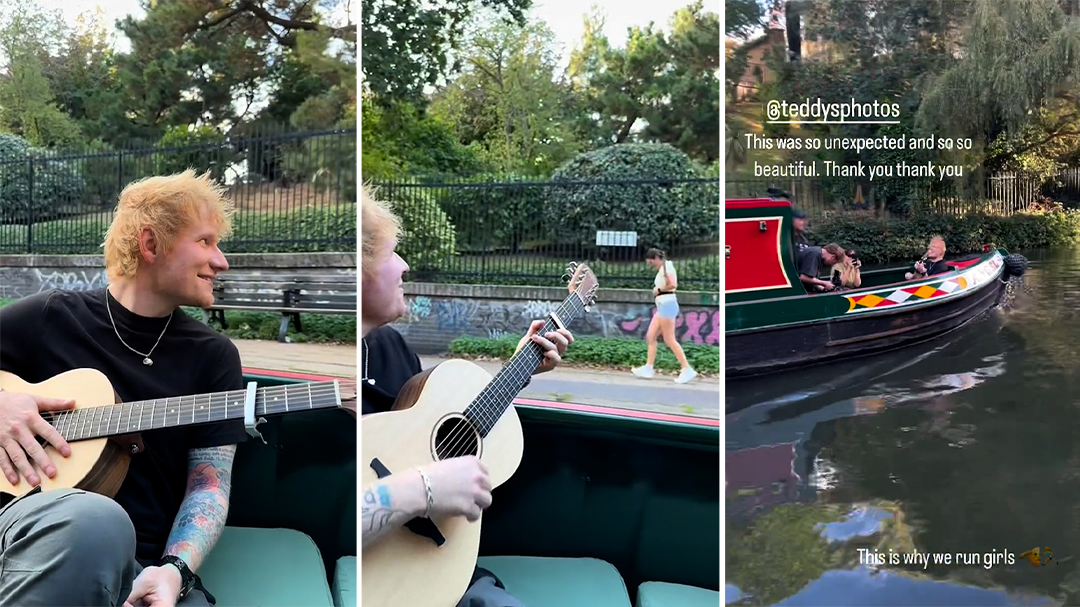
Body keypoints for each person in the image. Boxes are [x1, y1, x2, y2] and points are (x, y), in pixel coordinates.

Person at [0, 170, 248, 607]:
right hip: (29, 536)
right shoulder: (50, 318)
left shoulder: (214, 356)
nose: (221, 261)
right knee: (93, 521)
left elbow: (208, 487)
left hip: (143, 572)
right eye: (206, 242)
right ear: (151, 245)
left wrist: (175, 572)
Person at [359, 187, 573, 607]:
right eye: (391, 254)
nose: (404, 266)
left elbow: (435, 436)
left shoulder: (395, 351)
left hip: (443, 565)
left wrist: (518, 369)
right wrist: (424, 487)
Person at [631, 249, 697, 384]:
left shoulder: (667, 267)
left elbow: (673, 285)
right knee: (651, 336)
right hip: (663, 305)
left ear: (656, 258)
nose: (649, 263)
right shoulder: (663, 268)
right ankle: (648, 368)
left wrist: (659, 290)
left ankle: (687, 369)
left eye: (650, 260)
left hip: (667, 305)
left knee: (669, 339)